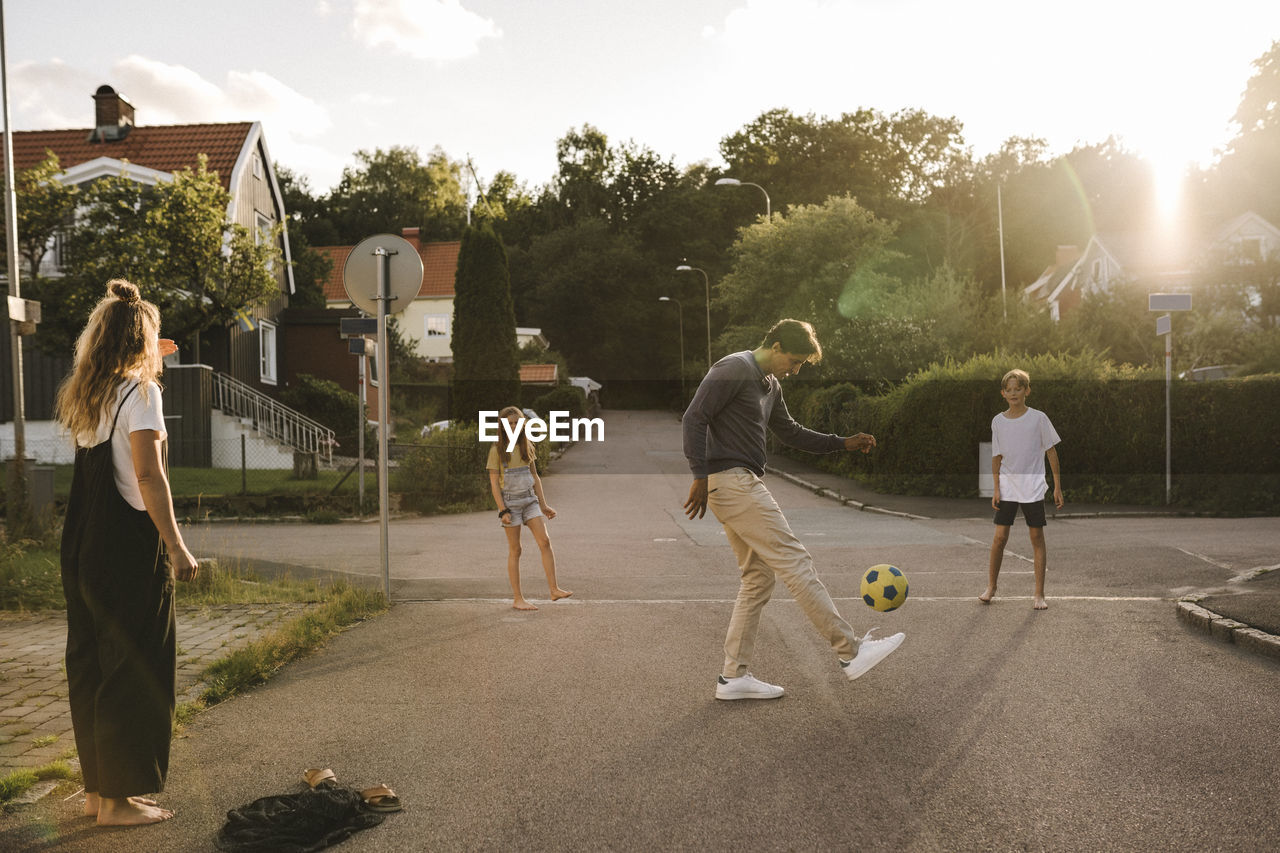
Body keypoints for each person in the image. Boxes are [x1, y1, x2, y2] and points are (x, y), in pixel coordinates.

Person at [682, 319, 905, 701]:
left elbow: (792, 433)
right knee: (795, 560)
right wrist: (699, 475)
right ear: (777, 344)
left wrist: (843, 443)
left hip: (737, 481)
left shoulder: (771, 385)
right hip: (732, 480)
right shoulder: (735, 367)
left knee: (757, 579)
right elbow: (694, 417)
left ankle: (732, 677)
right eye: (795, 360)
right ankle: (850, 652)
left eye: (802, 364)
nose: (796, 369)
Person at [54, 279, 200, 826]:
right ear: (142, 341)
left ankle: (98, 792)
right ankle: (118, 803)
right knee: (135, 667)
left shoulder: (88, 393)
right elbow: (147, 476)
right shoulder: (142, 394)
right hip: (126, 549)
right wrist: (178, 546)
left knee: (91, 663)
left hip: (82, 545)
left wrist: (143, 344)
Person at [979, 368, 1063, 610]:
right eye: (1009, 389)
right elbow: (997, 457)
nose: (1014, 393)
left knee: (1036, 537)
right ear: (1003, 393)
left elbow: (1051, 452)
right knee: (999, 538)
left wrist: (1057, 486)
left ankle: (1039, 594)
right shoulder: (998, 421)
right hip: (1007, 486)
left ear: (1027, 391)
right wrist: (996, 488)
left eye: (1019, 388)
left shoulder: (1039, 418)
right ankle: (991, 587)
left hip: (1033, 486)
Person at [486, 406, 571, 611]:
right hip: (510, 504)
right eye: (509, 423)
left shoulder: (527, 445)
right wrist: (502, 510)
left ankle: (554, 589)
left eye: (517, 422)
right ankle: (518, 599)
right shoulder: (496, 449)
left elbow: (536, 477)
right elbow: (494, 482)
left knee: (545, 541)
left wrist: (543, 505)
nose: (513, 426)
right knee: (516, 550)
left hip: (530, 501)